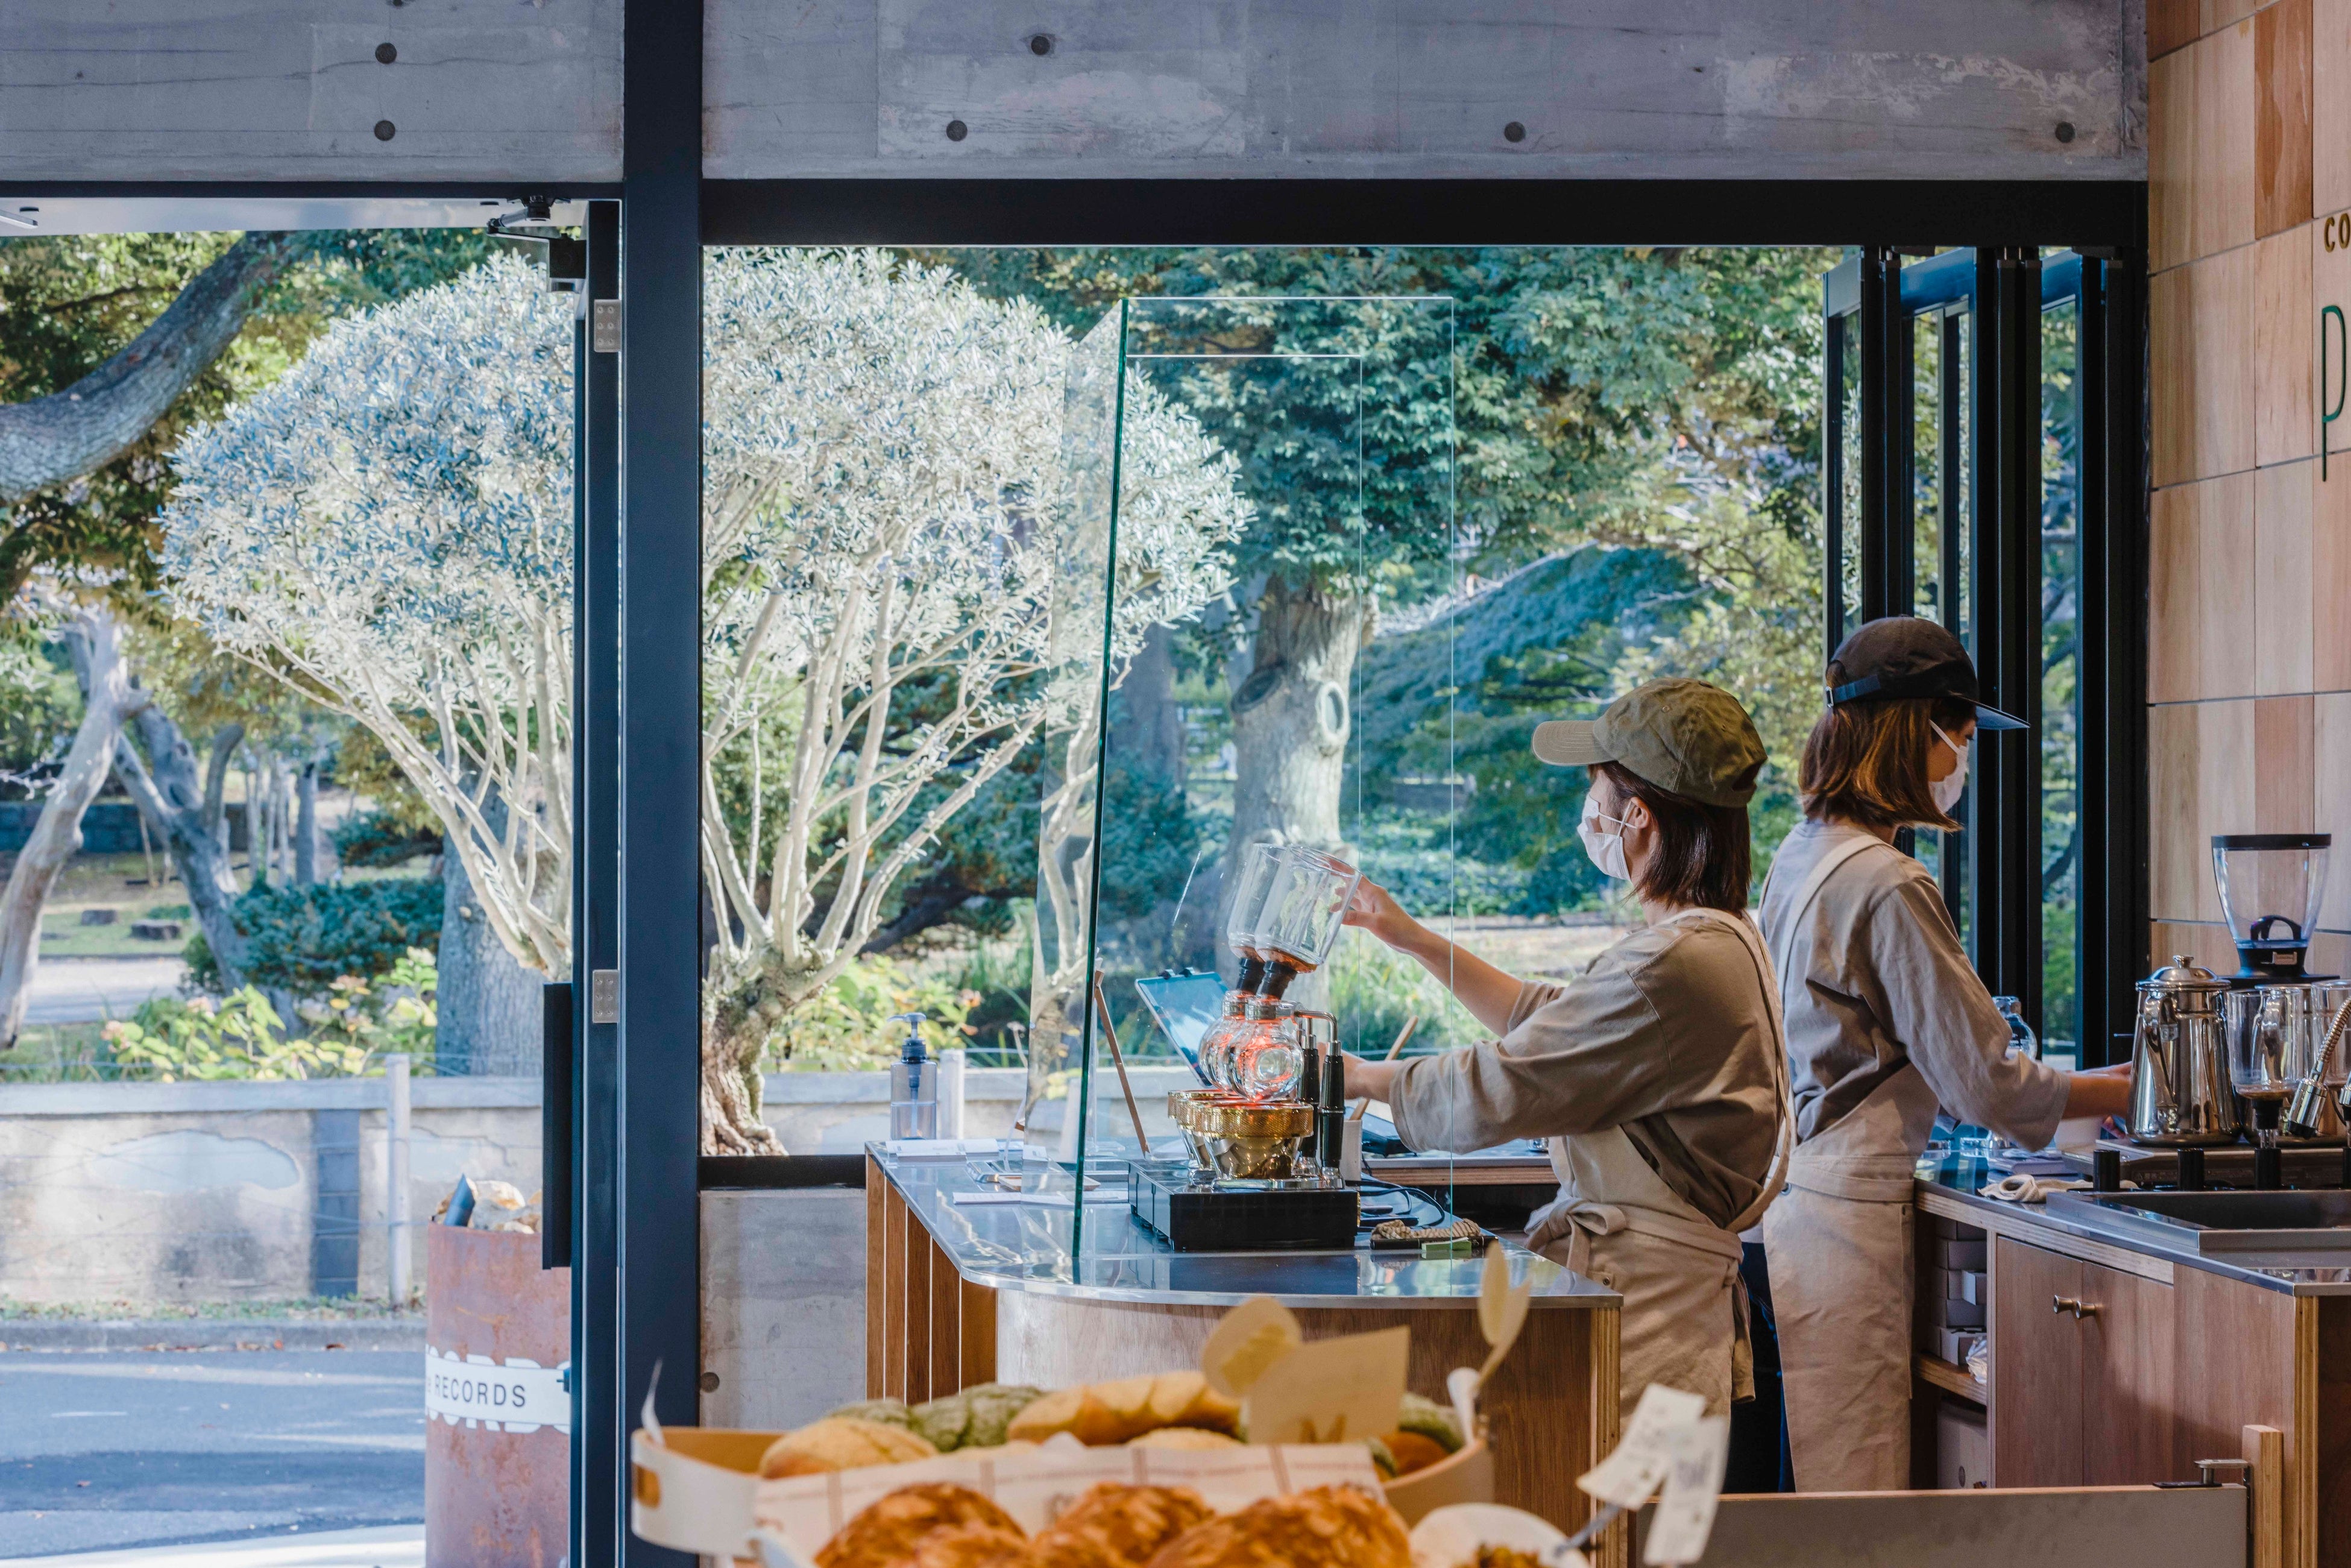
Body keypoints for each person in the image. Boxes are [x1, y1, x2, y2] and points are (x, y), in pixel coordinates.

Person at [1341, 676, 1792, 1416]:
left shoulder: (1671, 963)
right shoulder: (1720, 938)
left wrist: (1358, 1079)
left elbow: (1507, 1082)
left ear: (1637, 816)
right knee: (1653, 1498)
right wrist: (1411, 937)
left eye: (1596, 791)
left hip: (1647, 1325)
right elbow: (1554, 1020)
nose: (1587, 810)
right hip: (1669, 1315)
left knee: (1622, 1498)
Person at [1758, 616, 2133, 1490]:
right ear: (1913, 733)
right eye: (1960, 736)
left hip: (1798, 1200)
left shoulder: (1802, 854)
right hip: (1847, 1220)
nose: (1963, 760)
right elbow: (1985, 1085)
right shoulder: (1888, 882)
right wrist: (2128, 1089)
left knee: (1812, 1496)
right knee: (1855, 1506)